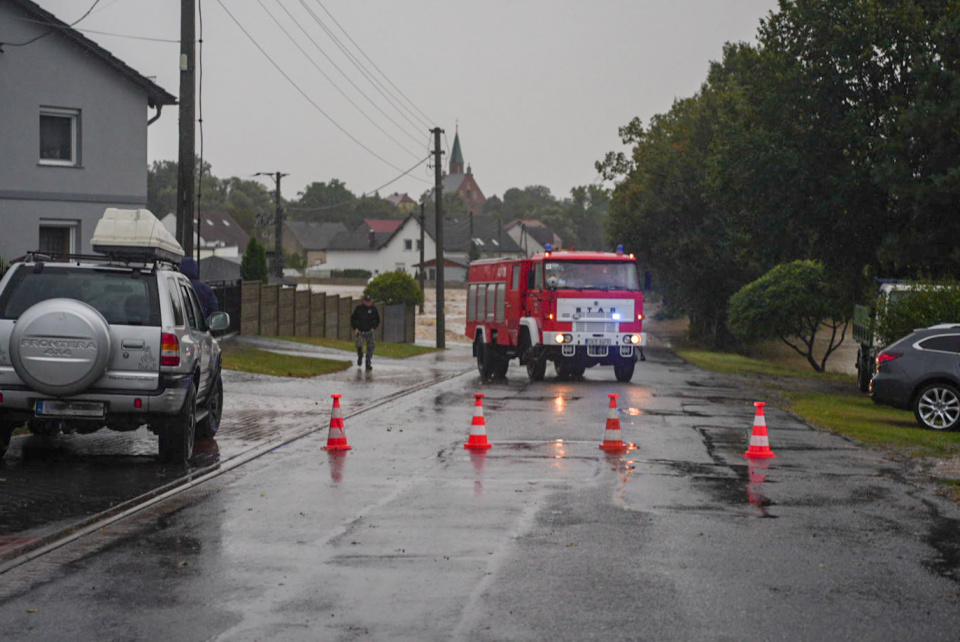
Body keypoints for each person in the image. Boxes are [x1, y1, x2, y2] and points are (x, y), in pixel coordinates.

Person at [351, 295, 380, 371]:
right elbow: (353, 319)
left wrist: (374, 327)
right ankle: (360, 356)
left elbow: (377, 320)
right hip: (360, 331)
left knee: (371, 347)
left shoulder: (374, 309)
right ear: (363, 301)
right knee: (359, 344)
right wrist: (355, 328)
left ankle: (368, 362)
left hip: (369, 331)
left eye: (369, 301)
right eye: (366, 301)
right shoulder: (359, 309)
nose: (368, 303)